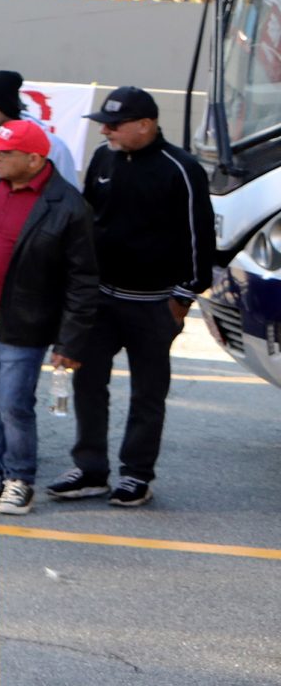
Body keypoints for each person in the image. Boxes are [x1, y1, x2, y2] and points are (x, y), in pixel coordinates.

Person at [53, 86, 214, 508]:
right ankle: (90, 470)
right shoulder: (104, 158)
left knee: (147, 393)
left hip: (153, 302)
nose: (105, 130)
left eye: (115, 125)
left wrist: (184, 296)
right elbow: (87, 224)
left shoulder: (181, 168)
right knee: (88, 382)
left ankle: (137, 475)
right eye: (103, 123)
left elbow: (201, 236)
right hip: (101, 299)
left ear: (146, 124)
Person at [0, 119, 100, 515]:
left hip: (24, 323)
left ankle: (19, 481)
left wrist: (69, 342)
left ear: (33, 159)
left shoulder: (67, 205)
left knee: (14, 403)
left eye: (4, 152)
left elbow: (81, 280)